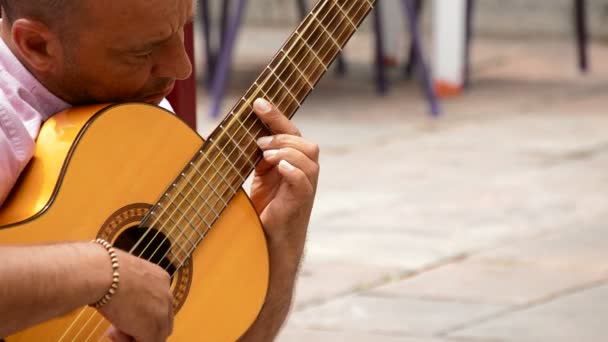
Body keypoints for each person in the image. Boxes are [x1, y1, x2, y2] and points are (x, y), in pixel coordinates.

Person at [0, 0, 319, 341]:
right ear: (37, 45)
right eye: (143, 52)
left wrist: (282, 244)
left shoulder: (134, 104)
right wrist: (104, 271)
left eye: (184, 28)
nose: (181, 68)